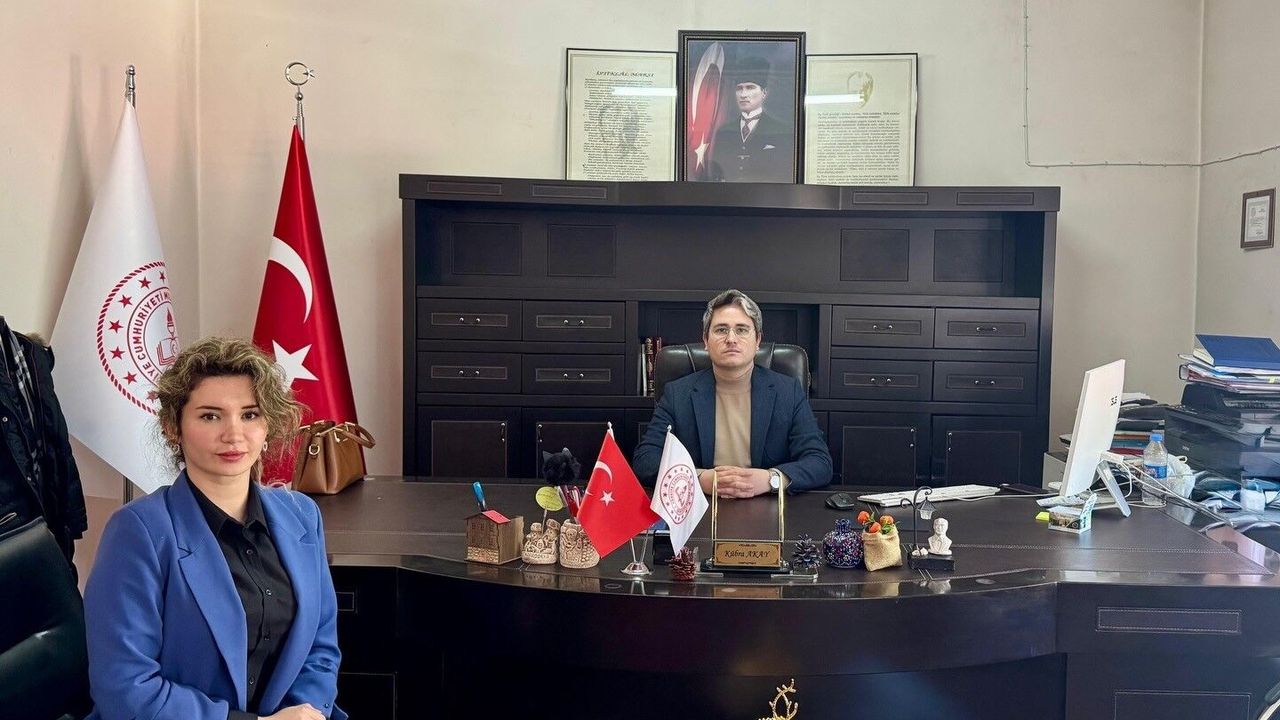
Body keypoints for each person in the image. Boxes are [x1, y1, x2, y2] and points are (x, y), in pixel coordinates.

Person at [83, 337, 345, 720]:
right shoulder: (139, 531)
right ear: (173, 427)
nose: (233, 434)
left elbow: (320, 646)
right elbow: (125, 690)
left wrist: (305, 713)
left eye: (250, 415)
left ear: (268, 424)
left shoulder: (302, 514)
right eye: (210, 416)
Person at [632, 289, 832, 497]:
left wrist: (771, 479)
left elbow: (819, 462)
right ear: (706, 341)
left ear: (757, 341)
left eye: (742, 330)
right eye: (721, 330)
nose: (731, 339)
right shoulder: (678, 393)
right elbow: (645, 460)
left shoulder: (788, 392)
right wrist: (698, 478)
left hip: (766, 503)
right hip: (701, 503)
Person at [709, 57, 794, 182]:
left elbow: (785, 174)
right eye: (739, 88)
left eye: (750, 87)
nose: (743, 95)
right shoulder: (723, 132)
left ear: (764, 93)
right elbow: (716, 174)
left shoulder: (782, 131)